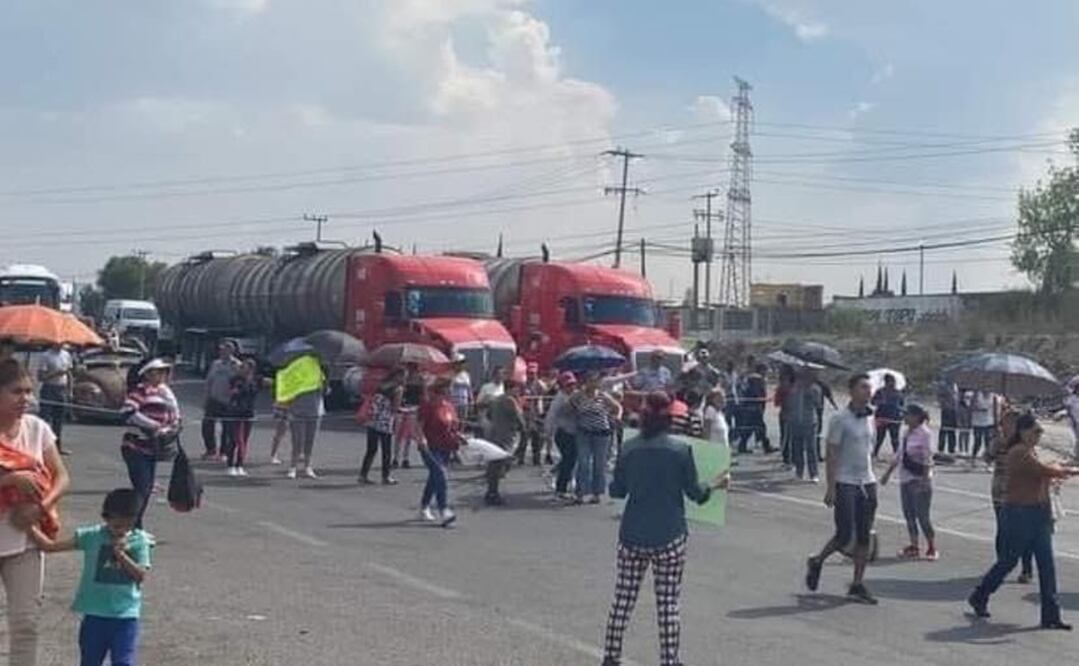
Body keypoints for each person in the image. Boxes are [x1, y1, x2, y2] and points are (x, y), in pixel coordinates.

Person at [602, 392, 729, 666]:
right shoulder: (680, 451)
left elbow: (617, 491)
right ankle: (669, 660)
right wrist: (715, 484)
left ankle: (611, 656)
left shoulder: (629, 448)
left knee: (623, 599)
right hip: (670, 534)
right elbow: (696, 494)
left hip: (633, 533)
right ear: (670, 419)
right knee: (668, 603)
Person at [968, 414, 1079, 630]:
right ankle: (980, 595)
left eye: (1040, 431)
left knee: (1047, 565)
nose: (1039, 435)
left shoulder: (1030, 451)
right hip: (1020, 514)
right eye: (1036, 431)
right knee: (1009, 561)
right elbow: (1044, 471)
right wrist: (1068, 470)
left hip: (1038, 513)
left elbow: (1044, 473)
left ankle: (1050, 615)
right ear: (1023, 431)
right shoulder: (1018, 452)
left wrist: (1060, 470)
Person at [30, 488, 152, 666]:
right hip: (95, 614)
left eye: (128, 525)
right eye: (117, 526)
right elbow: (50, 547)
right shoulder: (92, 536)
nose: (122, 531)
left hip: (125, 616)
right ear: (106, 518)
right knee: (90, 660)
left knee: (123, 661)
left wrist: (122, 556)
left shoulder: (139, 541)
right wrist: (29, 527)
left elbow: (140, 575)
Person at [0, 358, 71, 666]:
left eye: (29, 391)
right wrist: (10, 480)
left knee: (26, 623)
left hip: (25, 539)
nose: (25, 399)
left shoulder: (37, 429)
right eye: (16, 391)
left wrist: (41, 507)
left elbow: (62, 477)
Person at [805, 373, 879, 605]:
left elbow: (870, 448)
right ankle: (817, 560)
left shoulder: (871, 417)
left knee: (864, 536)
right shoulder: (840, 419)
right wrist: (831, 487)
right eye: (863, 387)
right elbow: (832, 454)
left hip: (867, 481)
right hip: (846, 482)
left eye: (869, 388)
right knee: (844, 534)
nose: (868, 391)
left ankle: (857, 584)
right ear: (852, 391)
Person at [121, 358, 180, 529]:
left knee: (145, 490)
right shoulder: (141, 390)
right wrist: (153, 425)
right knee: (142, 489)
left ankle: (134, 526)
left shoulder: (164, 392)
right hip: (136, 447)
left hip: (152, 448)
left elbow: (174, 414)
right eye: (158, 372)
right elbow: (128, 412)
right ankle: (133, 526)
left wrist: (171, 426)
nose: (162, 375)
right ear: (147, 374)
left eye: (164, 372)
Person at [881, 404, 937, 560]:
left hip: (919, 479)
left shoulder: (925, 434)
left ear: (916, 417)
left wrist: (925, 481)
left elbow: (927, 458)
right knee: (909, 514)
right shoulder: (906, 432)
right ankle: (914, 545)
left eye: (907, 414)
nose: (904, 417)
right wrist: (887, 473)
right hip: (905, 478)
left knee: (923, 516)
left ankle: (932, 547)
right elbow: (899, 454)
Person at [985, 410, 1033, 583]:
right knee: (1003, 530)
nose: (1007, 427)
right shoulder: (998, 441)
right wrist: (993, 445)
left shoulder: (1025, 444)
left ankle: (1026, 569)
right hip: (1000, 491)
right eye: (1005, 423)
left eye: (1012, 423)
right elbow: (987, 458)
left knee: (1023, 532)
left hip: (1021, 493)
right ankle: (1001, 566)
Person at [571, 372, 621, 505]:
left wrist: (616, 417)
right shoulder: (578, 396)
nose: (593, 384)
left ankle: (596, 493)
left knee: (599, 464)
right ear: (586, 382)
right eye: (590, 381)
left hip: (601, 433)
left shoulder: (603, 396)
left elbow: (617, 407)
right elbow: (569, 407)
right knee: (583, 463)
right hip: (584, 432)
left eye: (595, 381)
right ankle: (580, 493)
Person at [418, 378, 462, 526]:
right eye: (449, 388)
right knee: (440, 473)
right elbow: (418, 425)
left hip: (446, 446)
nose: (451, 391)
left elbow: (453, 427)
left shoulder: (449, 406)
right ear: (441, 390)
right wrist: (421, 439)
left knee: (434, 477)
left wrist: (459, 437)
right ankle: (444, 510)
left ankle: (424, 506)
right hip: (430, 447)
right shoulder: (428, 405)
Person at [484, 380, 526, 506]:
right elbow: (519, 417)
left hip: (494, 434)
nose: (518, 391)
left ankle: (491, 491)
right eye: (516, 388)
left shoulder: (496, 400)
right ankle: (493, 493)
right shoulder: (510, 401)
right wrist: (524, 429)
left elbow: (488, 415)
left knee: (494, 463)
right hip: (505, 436)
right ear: (511, 388)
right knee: (500, 464)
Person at [360, 370, 403, 486]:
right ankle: (386, 476)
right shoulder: (398, 389)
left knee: (371, 449)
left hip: (373, 419)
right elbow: (395, 407)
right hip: (385, 421)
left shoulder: (381, 385)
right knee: (386, 451)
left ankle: (363, 475)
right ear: (398, 376)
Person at [286, 357, 325, 480]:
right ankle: (293, 467)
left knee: (310, 441)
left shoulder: (319, 377)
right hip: (298, 412)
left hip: (314, 412)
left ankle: (308, 466)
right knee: (297, 441)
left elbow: (323, 392)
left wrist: (322, 383)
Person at [201, 341, 240, 461]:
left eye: (224, 349)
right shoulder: (215, 364)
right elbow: (209, 381)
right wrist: (206, 397)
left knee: (227, 428)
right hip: (213, 399)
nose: (221, 351)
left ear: (231, 351)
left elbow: (240, 382)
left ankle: (224, 452)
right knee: (207, 425)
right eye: (221, 349)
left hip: (228, 401)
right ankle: (210, 450)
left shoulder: (236, 365)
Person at [545, 372, 579, 499]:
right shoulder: (560, 399)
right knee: (569, 460)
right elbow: (551, 416)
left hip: (575, 432)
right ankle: (561, 488)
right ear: (562, 386)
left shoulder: (576, 395)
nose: (571, 387)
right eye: (568, 385)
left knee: (571, 460)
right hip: (564, 433)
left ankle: (559, 474)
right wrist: (548, 433)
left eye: (573, 384)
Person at [785, 369, 823, 483]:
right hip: (795, 421)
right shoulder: (794, 388)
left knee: (811, 448)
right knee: (797, 448)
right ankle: (799, 472)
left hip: (809, 422)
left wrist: (809, 392)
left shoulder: (815, 389)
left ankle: (814, 473)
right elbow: (789, 403)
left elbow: (818, 404)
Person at [36, 343, 73, 455]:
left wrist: (70, 390)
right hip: (49, 388)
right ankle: (41, 447)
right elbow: (40, 377)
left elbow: (69, 374)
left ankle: (57, 447)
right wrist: (56, 374)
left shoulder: (66, 355)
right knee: (45, 419)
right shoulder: (46, 356)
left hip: (62, 389)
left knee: (59, 420)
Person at [226, 359, 259, 477]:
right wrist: (235, 390)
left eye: (248, 368)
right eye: (244, 367)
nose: (245, 370)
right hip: (235, 412)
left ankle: (239, 465)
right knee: (235, 440)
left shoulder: (254, 380)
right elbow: (232, 392)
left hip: (248, 413)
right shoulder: (236, 379)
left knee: (244, 440)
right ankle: (230, 465)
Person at [393, 363, 425, 469]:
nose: (413, 370)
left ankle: (405, 458)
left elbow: (423, 395)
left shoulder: (420, 380)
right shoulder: (403, 379)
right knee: (398, 434)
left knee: (408, 435)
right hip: (402, 408)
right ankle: (396, 458)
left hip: (413, 408)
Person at [735, 364, 773, 454]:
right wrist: (760, 401)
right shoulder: (757, 379)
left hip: (750, 406)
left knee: (751, 428)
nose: (766, 373)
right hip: (754, 407)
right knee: (760, 427)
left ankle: (742, 446)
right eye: (765, 370)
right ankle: (766, 446)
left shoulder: (751, 378)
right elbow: (756, 394)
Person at [518, 363, 547, 466]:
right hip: (526, 414)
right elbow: (519, 398)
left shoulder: (540, 385)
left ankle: (536, 459)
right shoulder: (523, 385)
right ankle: (520, 459)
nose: (531, 375)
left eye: (533, 373)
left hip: (537, 414)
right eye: (530, 373)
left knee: (537, 438)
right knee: (524, 438)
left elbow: (544, 397)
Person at [871, 374, 904, 458]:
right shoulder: (880, 392)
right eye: (891, 381)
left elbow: (902, 405)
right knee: (880, 437)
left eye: (894, 381)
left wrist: (901, 412)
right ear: (886, 382)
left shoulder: (898, 393)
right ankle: (875, 454)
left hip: (895, 418)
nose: (893, 383)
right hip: (882, 417)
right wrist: (880, 402)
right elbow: (873, 402)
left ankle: (897, 455)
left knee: (895, 439)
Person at [774, 365, 795, 467]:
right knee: (786, 436)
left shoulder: (793, 388)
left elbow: (777, 402)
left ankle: (790, 459)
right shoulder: (784, 388)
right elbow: (777, 403)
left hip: (790, 415)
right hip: (786, 415)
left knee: (790, 437)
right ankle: (787, 459)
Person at [970, 390, 998, 464]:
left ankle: (988, 461)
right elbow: (971, 407)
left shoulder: (993, 396)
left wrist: (996, 423)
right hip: (977, 422)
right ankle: (973, 458)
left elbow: (995, 410)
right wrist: (979, 409)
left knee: (988, 443)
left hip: (989, 422)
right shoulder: (976, 394)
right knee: (977, 441)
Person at [1056, 384, 1079, 460]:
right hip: (1075, 422)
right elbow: (1068, 409)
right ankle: (1076, 457)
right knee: (1076, 439)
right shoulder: (1071, 399)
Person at [448, 354, 473, 423]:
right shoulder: (450, 375)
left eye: (462, 363)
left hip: (464, 402)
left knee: (463, 421)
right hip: (453, 402)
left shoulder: (466, 375)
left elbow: (469, 389)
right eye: (458, 363)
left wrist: (471, 400)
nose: (460, 365)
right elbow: (448, 389)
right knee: (454, 420)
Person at [938, 383, 959, 455]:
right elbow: (941, 398)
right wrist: (945, 405)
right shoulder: (944, 386)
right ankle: (941, 448)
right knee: (944, 430)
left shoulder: (956, 386)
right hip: (946, 410)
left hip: (954, 411)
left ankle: (951, 449)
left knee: (952, 431)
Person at [268, 401, 290, 466]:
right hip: (283, 408)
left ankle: (299, 453)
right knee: (279, 434)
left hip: (292, 408)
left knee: (298, 433)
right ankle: (273, 455)